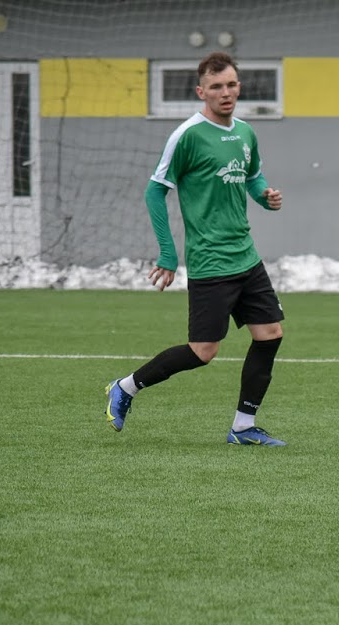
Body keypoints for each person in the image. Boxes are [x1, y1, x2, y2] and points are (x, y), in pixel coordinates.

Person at [103, 51, 287, 447]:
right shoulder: (186, 135)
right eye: (217, 86)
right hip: (211, 262)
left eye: (232, 84)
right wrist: (168, 254)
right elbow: (155, 192)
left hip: (246, 256)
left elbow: (252, 178)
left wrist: (265, 195)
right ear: (200, 91)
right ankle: (126, 387)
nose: (226, 93)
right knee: (203, 351)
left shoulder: (245, 133)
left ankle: (242, 427)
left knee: (270, 334)